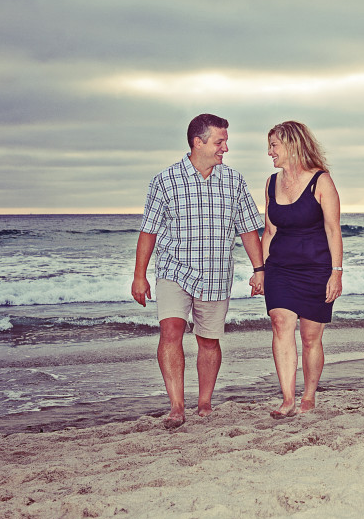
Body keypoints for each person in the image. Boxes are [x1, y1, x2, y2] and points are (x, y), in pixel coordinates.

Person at [132, 113, 265, 428]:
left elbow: (248, 230)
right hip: (174, 269)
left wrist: (260, 269)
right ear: (198, 142)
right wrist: (140, 275)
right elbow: (148, 230)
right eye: (220, 142)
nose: (225, 148)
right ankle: (177, 406)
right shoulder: (165, 180)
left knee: (208, 340)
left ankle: (204, 401)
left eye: (225, 142)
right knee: (171, 331)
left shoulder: (233, 180)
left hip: (216, 272)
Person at [262, 121, 343, 418]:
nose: (269, 152)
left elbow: (333, 230)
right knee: (280, 323)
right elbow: (269, 231)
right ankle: (287, 399)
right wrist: (261, 269)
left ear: (292, 144)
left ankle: (308, 395)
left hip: (316, 269)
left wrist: (336, 272)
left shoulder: (321, 181)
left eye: (274, 145)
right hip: (280, 268)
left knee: (311, 338)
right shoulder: (271, 183)